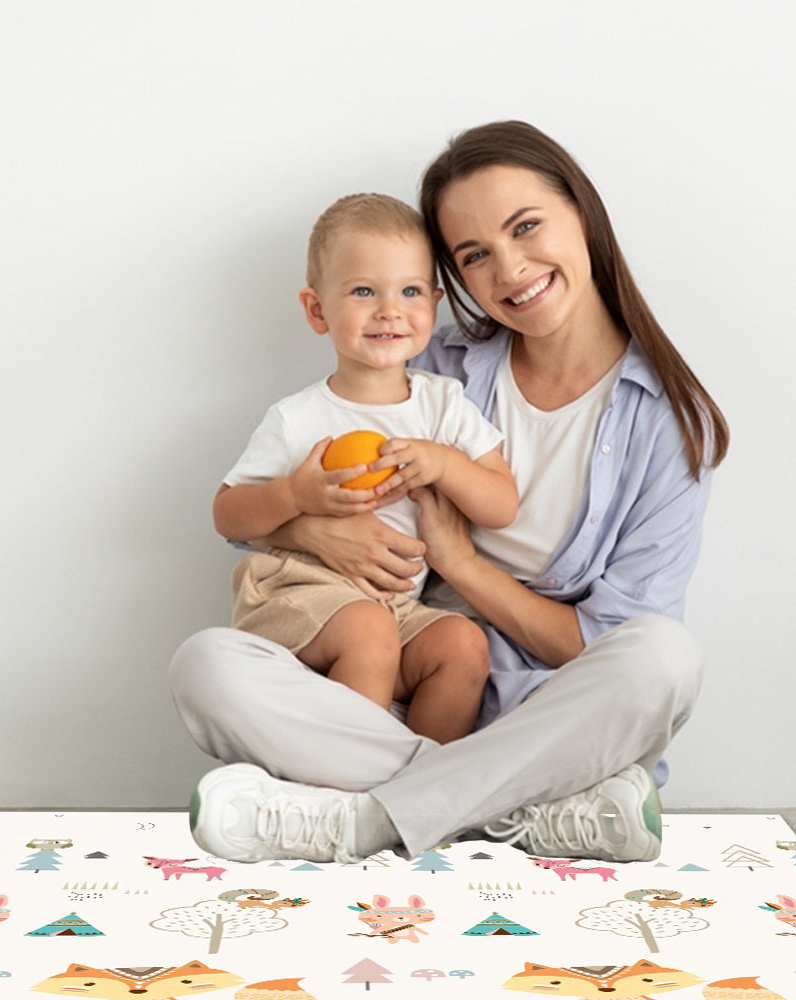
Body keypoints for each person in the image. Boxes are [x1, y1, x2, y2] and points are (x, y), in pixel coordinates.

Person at [170, 121, 729, 867]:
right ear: (453, 280)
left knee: (664, 657)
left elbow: (604, 644)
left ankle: (360, 821)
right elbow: (253, 515)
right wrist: (313, 530)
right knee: (205, 664)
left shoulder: (665, 422)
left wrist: (461, 566)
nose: (510, 269)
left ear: (584, 215)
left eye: (526, 227)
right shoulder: (428, 364)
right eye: (475, 255)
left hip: (548, 718)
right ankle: (515, 815)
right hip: (397, 707)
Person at [214, 193, 517, 745]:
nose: (389, 309)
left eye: (409, 291)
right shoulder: (298, 417)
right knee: (367, 628)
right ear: (317, 310)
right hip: (297, 592)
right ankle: (343, 790)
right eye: (362, 291)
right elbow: (228, 514)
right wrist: (295, 494)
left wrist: (444, 464)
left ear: (435, 302)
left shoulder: (443, 406)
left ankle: (420, 788)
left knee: (463, 645)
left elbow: (502, 505)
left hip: (396, 607)